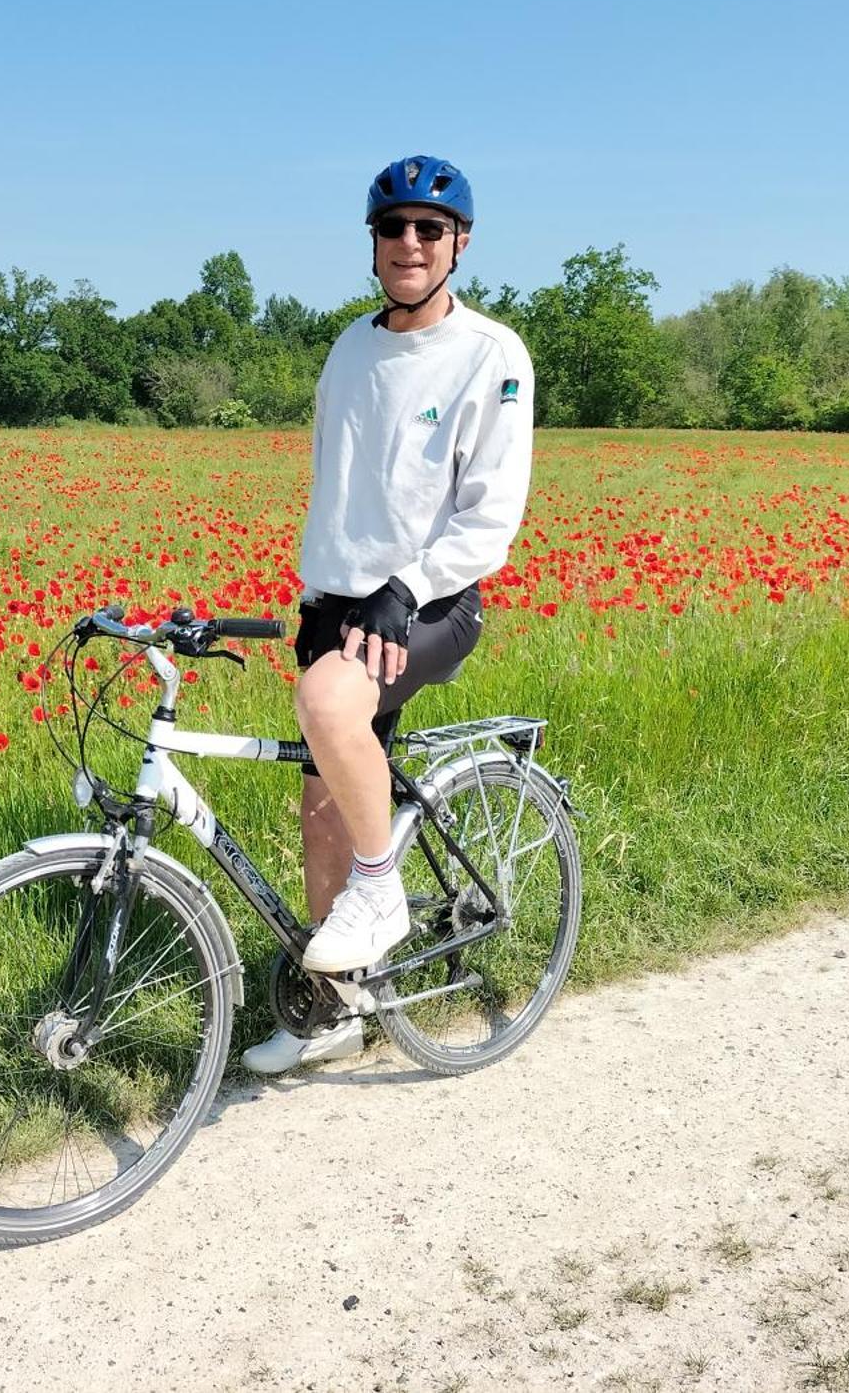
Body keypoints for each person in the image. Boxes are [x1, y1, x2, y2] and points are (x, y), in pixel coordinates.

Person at [242, 155, 536, 1076]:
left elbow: (490, 514)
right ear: (372, 244)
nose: (409, 243)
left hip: (429, 605)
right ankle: (336, 1011)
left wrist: (406, 587)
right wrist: (319, 591)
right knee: (323, 808)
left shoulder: (492, 354)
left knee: (330, 711)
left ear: (460, 244)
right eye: (392, 227)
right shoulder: (348, 348)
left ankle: (383, 893)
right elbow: (342, 488)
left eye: (429, 229)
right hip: (337, 606)